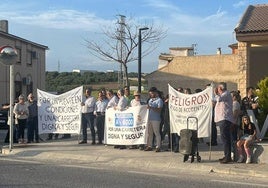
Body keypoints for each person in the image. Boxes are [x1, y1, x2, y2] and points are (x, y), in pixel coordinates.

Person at [214, 82, 234, 164]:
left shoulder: (226, 93)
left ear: (220, 88)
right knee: (224, 139)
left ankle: (227, 157)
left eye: (218, 88)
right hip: (221, 119)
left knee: (225, 139)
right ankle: (226, 155)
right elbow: (215, 99)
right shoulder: (222, 95)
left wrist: (215, 93)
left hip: (225, 119)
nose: (217, 90)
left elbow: (218, 99)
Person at [144, 87, 163, 152]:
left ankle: (158, 146)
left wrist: (151, 107)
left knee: (157, 133)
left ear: (155, 93)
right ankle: (150, 145)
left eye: (152, 93)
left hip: (156, 119)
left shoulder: (159, 100)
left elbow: (159, 110)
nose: (151, 95)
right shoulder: (150, 100)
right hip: (149, 118)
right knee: (150, 133)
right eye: (150, 94)